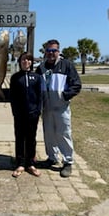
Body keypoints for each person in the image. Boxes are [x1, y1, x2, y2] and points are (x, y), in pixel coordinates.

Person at [35, 39, 81, 177]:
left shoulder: (66, 65)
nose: (51, 53)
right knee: (49, 134)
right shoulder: (41, 67)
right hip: (47, 107)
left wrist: (65, 95)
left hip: (61, 107)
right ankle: (52, 158)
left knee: (63, 133)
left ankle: (68, 161)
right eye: (48, 51)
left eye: (54, 50)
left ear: (58, 51)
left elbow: (76, 85)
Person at [10, 52, 42, 178]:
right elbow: (12, 97)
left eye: (28, 60)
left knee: (31, 139)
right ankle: (20, 163)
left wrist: (38, 111)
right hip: (19, 114)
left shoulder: (37, 77)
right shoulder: (15, 77)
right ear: (20, 61)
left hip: (33, 114)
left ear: (31, 62)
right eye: (24, 60)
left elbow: (39, 96)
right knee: (19, 138)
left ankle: (30, 163)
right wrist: (15, 112)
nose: (26, 62)